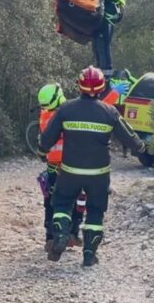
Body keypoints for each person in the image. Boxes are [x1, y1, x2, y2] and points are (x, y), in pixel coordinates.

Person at [39, 66, 146, 267]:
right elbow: (131, 139)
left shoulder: (66, 109)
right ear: (101, 87)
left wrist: (41, 149)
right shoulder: (109, 111)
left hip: (70, 171)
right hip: (98, 174)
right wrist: (141, 147)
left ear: (79, 86)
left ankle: (61, 234)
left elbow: (46, 140)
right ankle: (89, 254)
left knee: (61, 203)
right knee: (95, 212)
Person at [36, 83, 85, 251]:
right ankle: (72, 232)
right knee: (78, 197)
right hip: (71, 165)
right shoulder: (65, 113)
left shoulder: (44, 114)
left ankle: (51, 237)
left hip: (52, 166)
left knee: (50, 200)